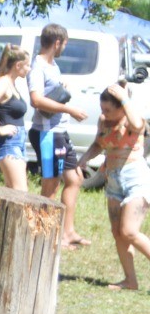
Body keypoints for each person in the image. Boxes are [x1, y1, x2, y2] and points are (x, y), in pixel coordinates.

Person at [80, 82, 150, 290]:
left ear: (122, 107)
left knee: (129, 231)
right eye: (102, 109)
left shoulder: (132, 119)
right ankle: (130, 281)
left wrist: (126, 98)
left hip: (134, 178)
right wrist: (83, 159)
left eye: (108, 110)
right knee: (117, 232)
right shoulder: (104, 121)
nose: (104, 114)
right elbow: (98, 144)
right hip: (113, 179)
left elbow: (138, 126)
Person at [29, 23, 91, 248]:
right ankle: (40, 235)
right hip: (47, 133)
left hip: (59, 132)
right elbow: (36, 100)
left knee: (75, 179)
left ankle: (68, 233)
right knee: (51, 186)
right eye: (64, 43)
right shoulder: (38, 67)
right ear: (57, 43)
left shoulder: (52, 65)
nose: (64, 47)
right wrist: (69, 109)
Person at [0, 45, 31, 190]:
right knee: (20, 193)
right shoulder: (3, 82)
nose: (29, 69)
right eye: (27, 65)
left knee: (13, 193)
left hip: (17, 142)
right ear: (18, 65)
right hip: (9, 144)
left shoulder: (11, 84)